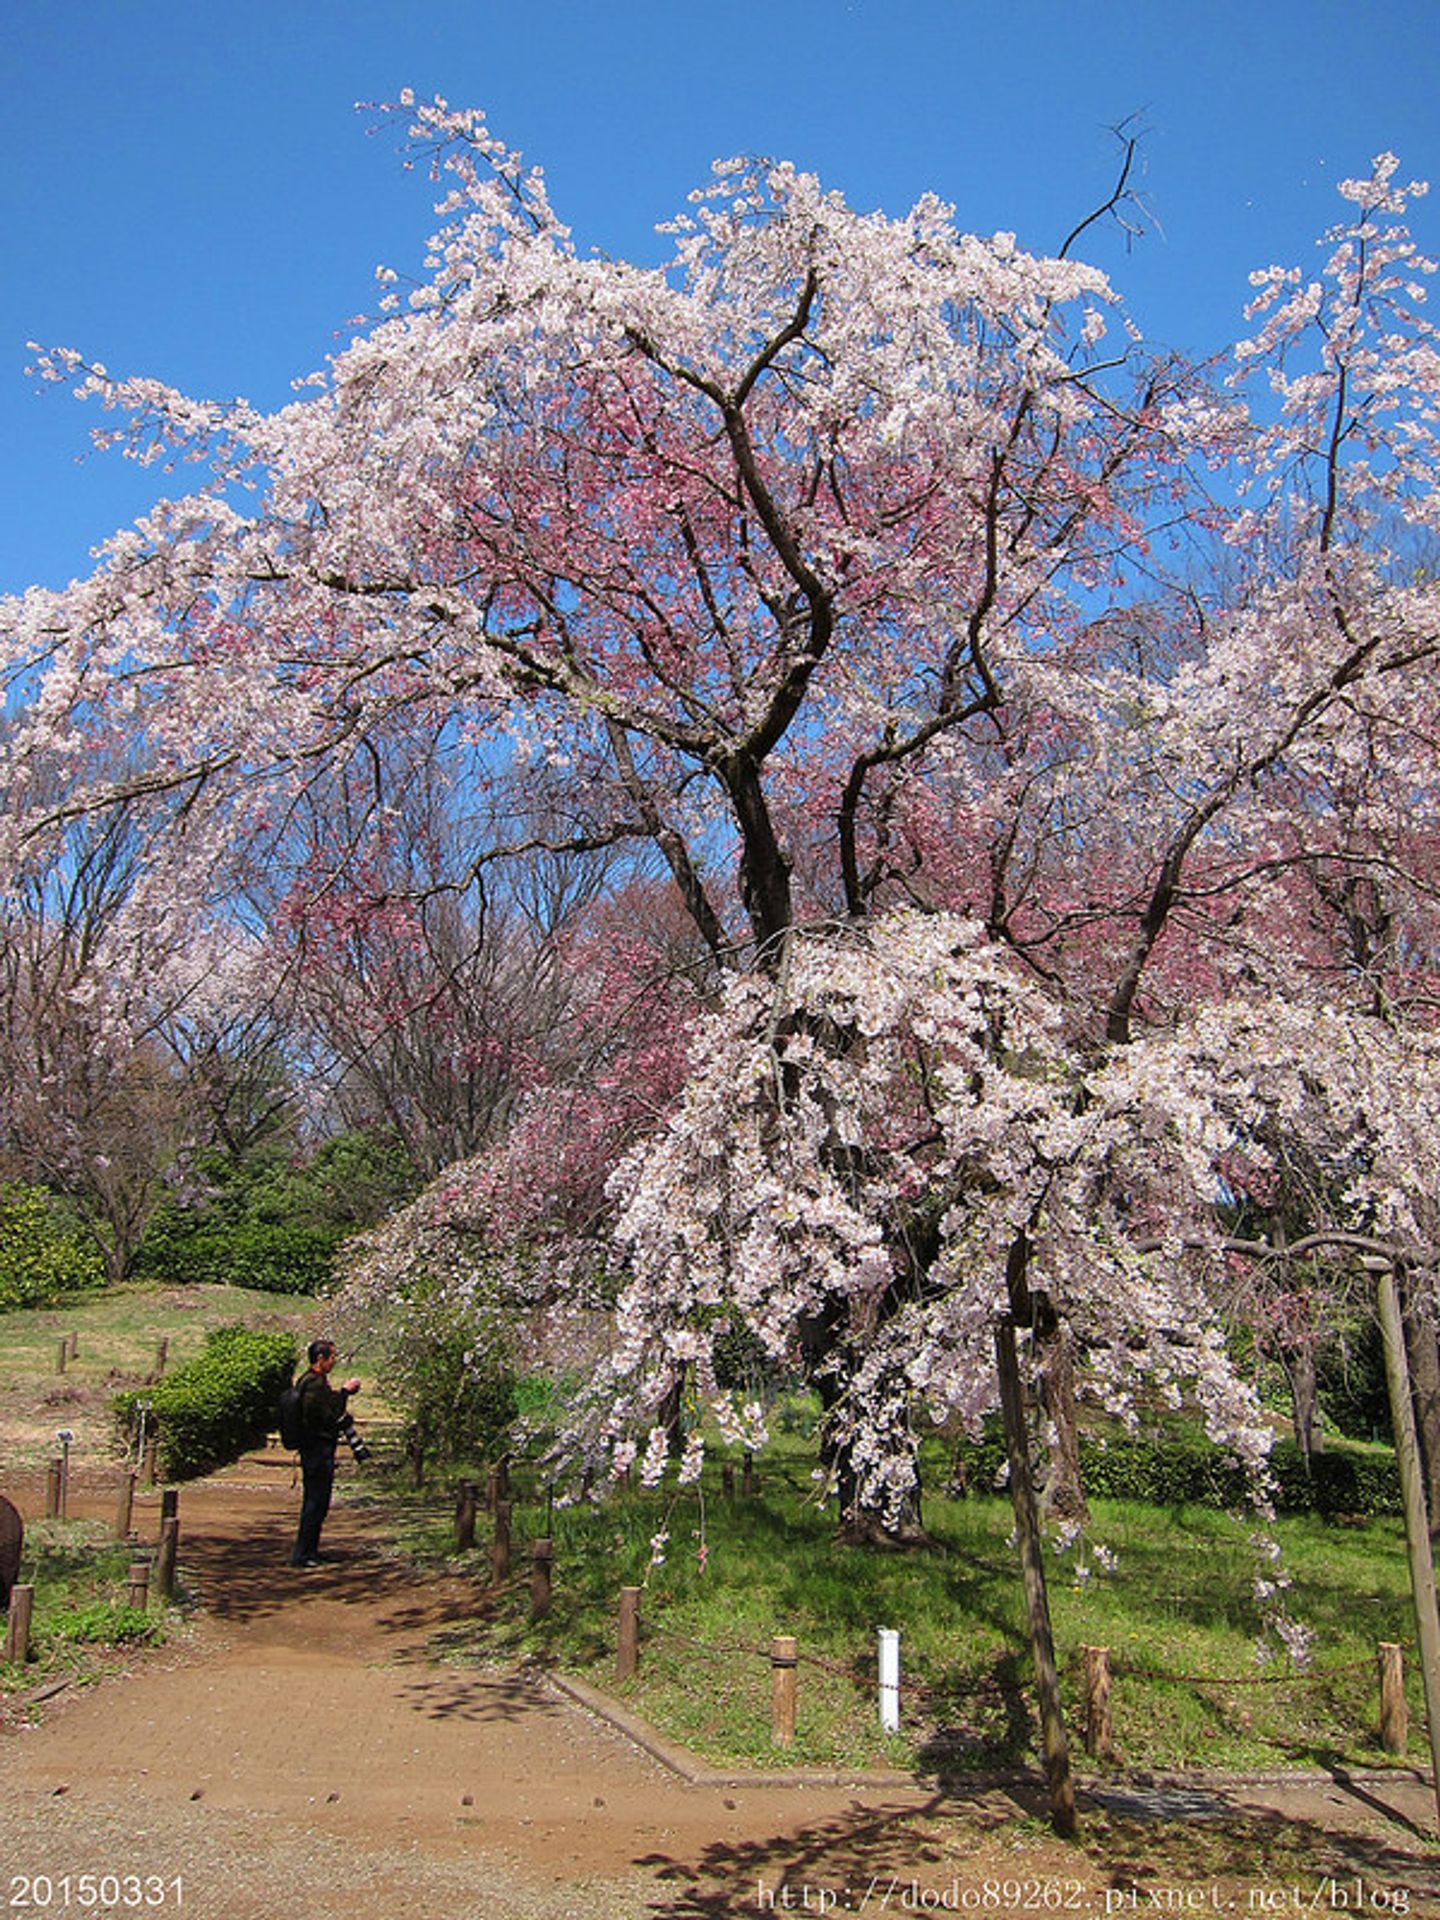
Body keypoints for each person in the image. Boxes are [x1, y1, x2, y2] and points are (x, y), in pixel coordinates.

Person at [290, 1339, 362, 1569]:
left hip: (317, 1449)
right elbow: (325, 1415)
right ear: (320, 1358)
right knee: (314, 1501)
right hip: (316, 1450)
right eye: (332, 1357)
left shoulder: (313, 1382)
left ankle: (311, 1550)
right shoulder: (313, 1384)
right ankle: (303, 1554)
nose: (333, 1362)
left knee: (319, 1502)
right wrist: (344, 1393)